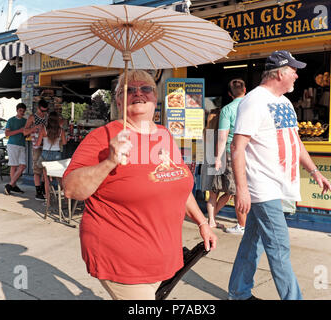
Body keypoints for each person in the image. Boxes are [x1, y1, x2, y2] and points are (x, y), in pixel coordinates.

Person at [63, 70, 217, 300]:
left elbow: (177, 185)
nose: (138, 93)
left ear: (155, 97)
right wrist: (109, 162)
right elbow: (71, 189)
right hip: (121, 258)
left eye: (145, 89)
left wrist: (202, 222)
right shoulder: (102, 136)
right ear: (118, 100)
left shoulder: (164, 134)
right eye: (129, 90)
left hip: (163, 256)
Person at [228, 50, 331, 300]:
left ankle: (238, 292)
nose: (297, 75)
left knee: (253, 241)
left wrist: (314, 171)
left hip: (279, 184)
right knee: (279, 246)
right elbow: (237, 147)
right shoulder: (254, 101)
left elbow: (295, 141)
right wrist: (242, 189)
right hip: (263, 187)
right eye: (293, 70)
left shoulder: (284, 102)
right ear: (280, 73)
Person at [213, 79, 246, 234]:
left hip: (233, 153)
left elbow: (222, 137)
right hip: (252, 153)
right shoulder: (253, 106)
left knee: (236, 189)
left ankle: (242, 224)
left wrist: (218, 158)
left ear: (229, 94)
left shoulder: (227, 110)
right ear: (245, 89)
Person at [200, 106, 231, 229]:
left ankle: (211, 220)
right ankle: (212, 218)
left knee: (212, 195)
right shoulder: (221, 133)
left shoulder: (206, 132)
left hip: (208, 166)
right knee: (229, 192)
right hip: (219, 165)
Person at [35, 111, 67, 201]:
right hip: (57, 154)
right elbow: (64, 143)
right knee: (59, 178)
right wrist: (58, 140)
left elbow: (38, 143)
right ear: (57, 120)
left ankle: (48, 201)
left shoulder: (44, 129)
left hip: (46, 154)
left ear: (48, 119)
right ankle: (65, 197)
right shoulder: (61, 130)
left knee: (46, 180)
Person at [24, 99, 49, 201]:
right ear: (38, 108)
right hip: (36, 147)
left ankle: (43, 189)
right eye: (42, 111)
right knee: (37, 170)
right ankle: (38, 192)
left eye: (45, 111)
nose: (43, 113)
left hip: (46, 146)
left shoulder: (47, 117)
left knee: (45, 170)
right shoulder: (32, 117)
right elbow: (25, 132)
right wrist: (33, 129)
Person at [4, 103, 28, 195]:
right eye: (20, 110)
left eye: (23, 111)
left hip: (22, 144)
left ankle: (10, 185)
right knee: (14, 166)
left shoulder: (25, 121)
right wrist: (20, 130)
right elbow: (7, 134)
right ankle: (13, 185)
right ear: (17, 110)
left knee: (22, 166)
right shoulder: (11, 120)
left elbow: (26, 133)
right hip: (12, 145)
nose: (22, 112)